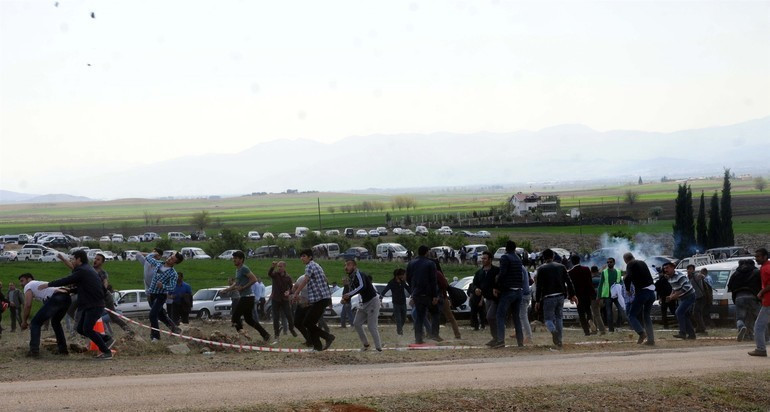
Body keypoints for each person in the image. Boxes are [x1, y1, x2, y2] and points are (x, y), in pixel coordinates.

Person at [41, 251, 114, 359]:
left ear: (79, 259)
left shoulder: (82, 270)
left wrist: (48, 284)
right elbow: (85, 286)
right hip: (89, 304)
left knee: (87, 329)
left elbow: (67, 280)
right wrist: (70, 290)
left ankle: (107, 352)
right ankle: (106, 339)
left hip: (94, 304)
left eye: (73, 259)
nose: (71, 261)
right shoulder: (87, 269)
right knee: (81, 329)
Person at [291, 249, 335, 351]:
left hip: (321, 299)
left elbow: (305, 280)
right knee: (310, 323)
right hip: (321, 298)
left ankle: (328, 337)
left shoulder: (310, 266)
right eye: (301, 256)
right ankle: (317, 346)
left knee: (307, 323)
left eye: (304, 256)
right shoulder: (317, 265)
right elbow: (325, 280)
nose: (302, 258)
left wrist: (296, 293)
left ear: (310, 257)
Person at [18, 273, 72, 357]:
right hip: (66, 298)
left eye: (22, 281)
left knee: (35, 323)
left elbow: (28, 305)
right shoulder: (38, 285)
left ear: (29, 279)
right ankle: (63, 350)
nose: (21, 284)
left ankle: (34, 351)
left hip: (57, 297)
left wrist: (24, 321)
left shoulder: (28, 285)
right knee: (55, 322)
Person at [223, 251, 270, 342]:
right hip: (246, 297)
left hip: (247, 297)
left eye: (236, 258)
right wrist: (227, 290)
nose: (234, 260)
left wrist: (244, 287)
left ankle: (243, 337)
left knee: (235, 318)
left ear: (241, 259)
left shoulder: (244, 268)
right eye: (233, 258)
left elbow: (254, 279)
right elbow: (236, 283)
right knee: (249, 319)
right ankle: (265, 334)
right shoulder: (238, 270)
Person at [534, 249, 577, 348]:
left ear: (544, 258)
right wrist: (572, 295)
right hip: (561, 296)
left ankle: (554, 332)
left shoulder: (541, 269)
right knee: (559, 318)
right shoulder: (561, 267)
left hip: (548, 296)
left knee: (548, 319)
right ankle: (559, 340)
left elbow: (539, 286)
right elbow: (569, 282)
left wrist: (537, 300)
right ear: (553, 256)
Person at [492, 240, 526, 348]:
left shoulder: (505, 258)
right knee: (516, 317)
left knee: (500, 315)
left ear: (506, 248)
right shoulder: (518, 258)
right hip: (518, 291)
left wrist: (497, 286)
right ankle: (520, 342)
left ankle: (501, 341)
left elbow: (502, 274)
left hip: (508, 291)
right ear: (515, 248)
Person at [343, 259, 382, 351]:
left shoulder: (359, 274)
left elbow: (362, 286)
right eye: (345, 265)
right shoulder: (351, 277)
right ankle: (366, 345)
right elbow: (350, 290)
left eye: (349, 265)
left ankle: (378, 348)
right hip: (364, 303)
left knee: (371, 326)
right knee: (356, 323)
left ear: (355, 266)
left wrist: (349, 295)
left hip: (372, 301)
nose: (346, 267)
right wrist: (345, 297)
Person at [145, 250, 184, 342]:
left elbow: (172, 287)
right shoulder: (159, 264)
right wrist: (153, 254)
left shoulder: (173, 274)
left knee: (152, 315)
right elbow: (148, 258)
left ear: (175, 263)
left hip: (160, 296)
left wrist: (163, 286)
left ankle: (155, 337)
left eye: (172, 259)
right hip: (152, 294)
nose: (169, 259)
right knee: (161, 316)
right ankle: (175, 329)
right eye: (170, 257)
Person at [406, 245, 438, 345]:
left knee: (419, 316)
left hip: (416, 293)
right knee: (435, 313)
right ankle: (434, 334)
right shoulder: (430, 263)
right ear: (426, 252)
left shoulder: (411, 263)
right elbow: (433, 280)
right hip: (427, 293)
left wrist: (413, 289)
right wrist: (435, 295)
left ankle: (418, 338)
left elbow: (408, 278)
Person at [623, 252, 656, 345]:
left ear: (625, 260)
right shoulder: (642, 262)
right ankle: (651, 340)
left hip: (642, 293)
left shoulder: (630, 264)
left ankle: (641, 333)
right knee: (646, 316)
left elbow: (627, 278)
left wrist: (628, 289)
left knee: (631, 315)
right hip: (651, 292)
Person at [727, 259, 761, 342]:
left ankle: (742, 327)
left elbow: (730, 287)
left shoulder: (735, 274)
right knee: (758, 318)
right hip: (753, 297)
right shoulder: (757, 272)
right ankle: (758, 335)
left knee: (740, 318)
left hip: (739, 297)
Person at [662, 261, 696, 340]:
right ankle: (691, 335)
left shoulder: (680, 276)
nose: (666, 270)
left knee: (679, 312)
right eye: (664, 269)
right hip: (683, 298)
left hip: (689, 296)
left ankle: (682, 333)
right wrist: (670, 296)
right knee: (685, 315)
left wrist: (673, 296)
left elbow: (686, 288)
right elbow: (674, 288)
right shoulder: (669, 278)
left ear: (673, 267)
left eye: (667, 268)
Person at [748, 248, 770, 357]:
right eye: (755, 256)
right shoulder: (765, 267)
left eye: (758, 256)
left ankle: (761, 349)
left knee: (758, 326)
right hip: (767, 301)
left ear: (765, 256)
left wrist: (761, 292)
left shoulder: (766, 268)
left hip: (769, 302)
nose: (756, 259)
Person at [568, 255, 596, 336]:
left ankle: (586, 331)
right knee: (588, 310)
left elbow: (570, 286)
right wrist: (592, 293)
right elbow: (590, 282)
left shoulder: (570, 272)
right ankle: (590, 319)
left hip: (578, 296)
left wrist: (571, 296)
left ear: (572, 262)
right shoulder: (586, 269)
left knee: (581, 314)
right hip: (587, 294)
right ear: (579, 260)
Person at [268, 261, 297, 339]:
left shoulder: (288, 277)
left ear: (284, 267)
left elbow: (292, 288)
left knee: (289, 316)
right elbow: (269, 274)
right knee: (275, 317)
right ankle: (276, 334)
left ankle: (291, 329)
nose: (279, 268)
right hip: (275, 299)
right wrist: (272, 267)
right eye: (278, 266)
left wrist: (289, 292)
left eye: (281, 266)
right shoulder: (275, 275)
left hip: (284, 299)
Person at [596, 257, 626, 332]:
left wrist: (620, 286)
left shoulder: (618, 271)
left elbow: (621, 281)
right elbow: (601, 284)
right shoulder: (604, 272)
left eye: (610, 262)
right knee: (609, 313)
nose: (609, 263)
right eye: (608, 262)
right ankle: (611, 329)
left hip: (616, 295)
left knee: (621, 310)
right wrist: (599, 296)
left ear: (614, 263)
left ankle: (618, 326)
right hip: (607, 295)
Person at [435, 261, 461, 340]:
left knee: (435, 316)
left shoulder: (436, 273)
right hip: (443, 296)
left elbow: (444, 285)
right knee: (450, 317)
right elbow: (445, 285)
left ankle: (457, 334)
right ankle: (457, 334)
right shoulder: (439, 274)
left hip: (441, 297)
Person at [381, 268, 411, 335]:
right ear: (397, 275)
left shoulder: (403, 282)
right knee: (398, 319)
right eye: (402, 275)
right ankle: (400, 333)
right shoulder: (391, 283)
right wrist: (381, 297)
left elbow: (408, 289)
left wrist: (413, 294)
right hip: (396, 303)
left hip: (403, 302)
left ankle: (399, 329)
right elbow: (385, 290)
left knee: (403, 318)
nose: (403, 276)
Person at [687, 264, 709, 335]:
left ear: (693, 270)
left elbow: (701, 276)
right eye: (688, 269)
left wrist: (701, 275)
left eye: (690, 269)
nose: (689, 270)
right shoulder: (688, 277)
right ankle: (700, 328)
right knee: (696, 313)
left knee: (696, 313)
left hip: (701, 297)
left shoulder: (696, 275)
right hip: (695, 297)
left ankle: (702, 329)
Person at [589, 266, 606, 335]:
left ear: (591, 271)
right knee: (595, 314)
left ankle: (602, 330)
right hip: (602, 298)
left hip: (594, 298)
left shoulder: (591, 279)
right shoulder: (601, 278)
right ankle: (594, 330)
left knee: (597, 314)